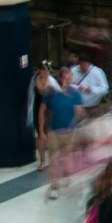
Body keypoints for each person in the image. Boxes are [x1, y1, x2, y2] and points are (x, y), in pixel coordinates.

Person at [38, 67, 84, 200]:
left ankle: (68, 180)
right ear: (61, 78)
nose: (68, 81)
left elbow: (79, 113)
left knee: (68, 163)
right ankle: (54, 187)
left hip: (70, 133)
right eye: (66, 78)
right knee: (54, 161)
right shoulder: (51, 93)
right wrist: (41, 131)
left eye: (70, 78)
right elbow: (42, 111)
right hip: (54, 133)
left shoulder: (75, 94)